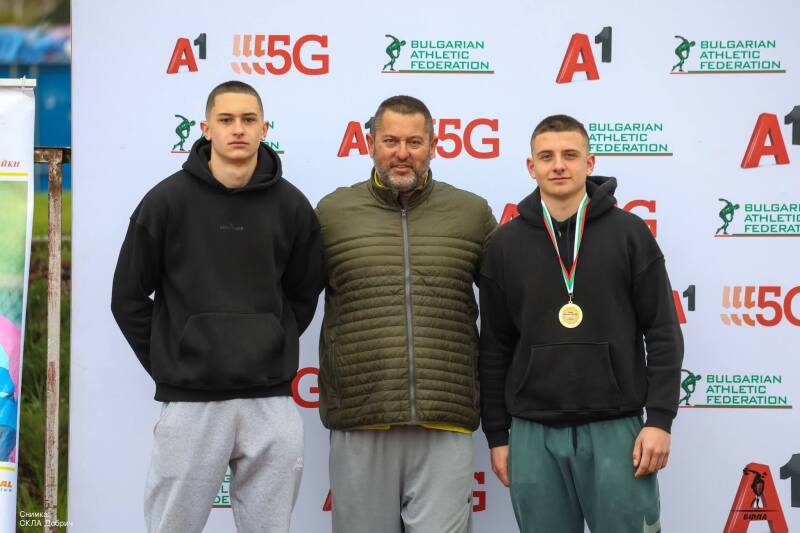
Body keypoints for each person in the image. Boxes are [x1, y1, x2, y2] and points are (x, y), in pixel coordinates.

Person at [111, 80, 322, 533]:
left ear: (264, 128)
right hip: (192, 403)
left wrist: (272, 341)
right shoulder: (166, 201)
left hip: (270, 401)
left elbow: (304, 294)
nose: (238, 129)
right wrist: (173, 358)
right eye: (226, 120)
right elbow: (127, 296)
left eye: (248, 119)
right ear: (206, 128)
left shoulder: (292, 206)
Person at [479, 114, 683, 533]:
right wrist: (497, 435)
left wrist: (660, 420)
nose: (558, 165)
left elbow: (663, 332)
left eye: (570, 155)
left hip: (616, 428)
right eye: (546, 156)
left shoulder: (629, 233)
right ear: (531, 166)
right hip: (532, 432)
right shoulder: (504, 245)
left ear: (589, 163)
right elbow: (495, 348)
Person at [316, 95, 496, 533]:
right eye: (390, 141)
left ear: (433, 145)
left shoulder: (471, 213)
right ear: (370, 143)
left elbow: (512, 303)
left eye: (414, 142)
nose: (402, 153)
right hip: (362, 417)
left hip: (444, 419)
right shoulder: (332, 213)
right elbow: (290, 297)